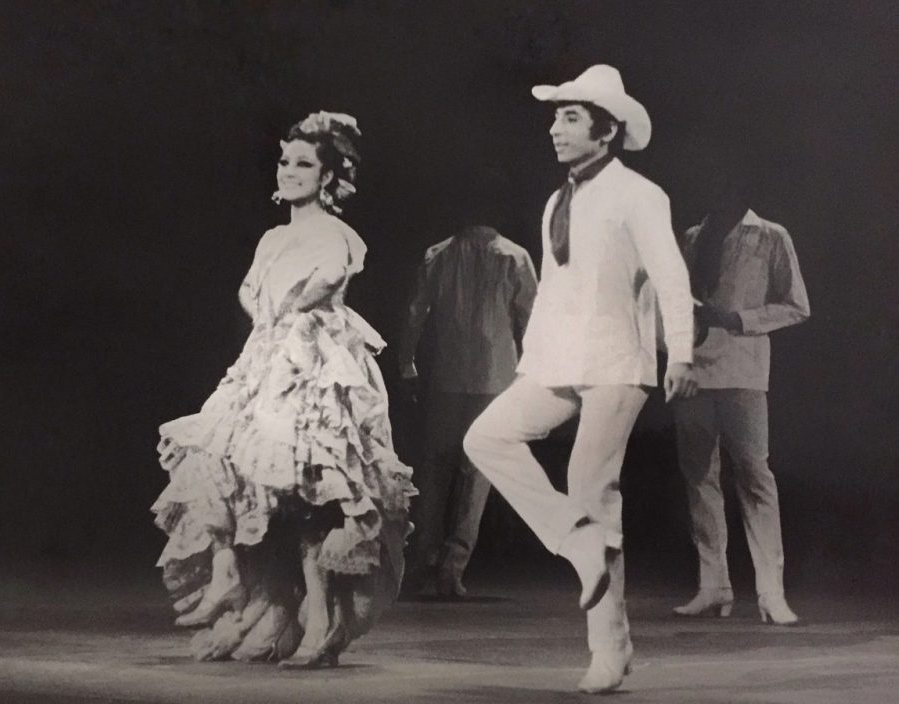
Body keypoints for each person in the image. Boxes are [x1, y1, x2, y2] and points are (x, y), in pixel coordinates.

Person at [463, 65, 697, 693]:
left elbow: (671, 276)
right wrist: (531, 361)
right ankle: (573, 538)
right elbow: (553, 290)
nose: (555, 128)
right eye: (555, 117)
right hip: (560, 359)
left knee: (591, 487)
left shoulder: (639, 194)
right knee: (485, 438)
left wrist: (680, 353)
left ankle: (609, 650)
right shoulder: (557, 200)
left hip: (617, 361)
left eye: (570, 117)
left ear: (607, 130)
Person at [151, 111, 415, 667]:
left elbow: (330, 276)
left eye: (303, 164)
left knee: (307, 488)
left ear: (327, 176)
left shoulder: (335, 232)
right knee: (225, 462)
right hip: (265, 358)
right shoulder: (273, 236)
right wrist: (264, 317)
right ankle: (246, 586)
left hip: (314, 362)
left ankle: (318, 617)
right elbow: (250, 288)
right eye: (284, 161)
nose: (289, 171)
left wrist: (292, 310)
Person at [672, 175, 809, 625]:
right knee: (699, 478)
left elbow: (796, 305)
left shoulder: (770, 235)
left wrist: (738, 319)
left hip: (744, 371)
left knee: (754, 476)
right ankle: (713, 586)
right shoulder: (694, 236)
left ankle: (771, 593)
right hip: (694, 370)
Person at [397, 211, 538, 597]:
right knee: (476, 474)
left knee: (435, 469)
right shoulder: (514, 256)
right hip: (496, 377)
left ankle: (424, 561)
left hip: (448, 374)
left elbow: (415, 312)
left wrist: (406, 362)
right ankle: (452, 567)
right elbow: (532, 319)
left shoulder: (439, 254)